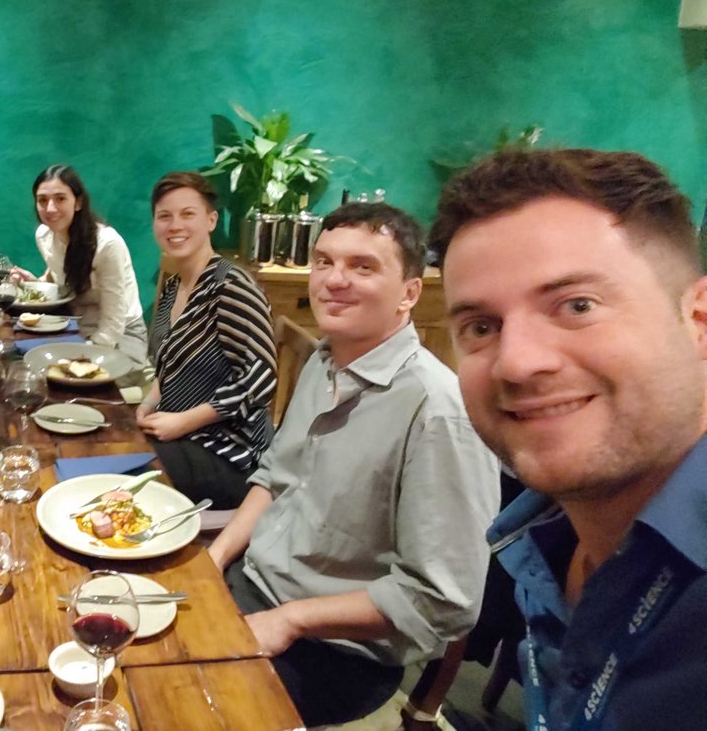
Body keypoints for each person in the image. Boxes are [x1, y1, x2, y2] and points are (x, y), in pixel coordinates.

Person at [430, 148, 707, 731]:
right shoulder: (544, 539)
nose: (517, 363)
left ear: (699, 321)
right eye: (481, 327)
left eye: (577, 306)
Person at [208, 201, 499, 727]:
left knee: (175, 702)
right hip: (250, 585)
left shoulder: (438, 412)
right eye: (324, 262)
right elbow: (276, 475)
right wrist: (216, 556)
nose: (333, 280)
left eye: (362, 267)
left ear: (410, 293)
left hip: (334, 653)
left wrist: (291, 620)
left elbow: (444, 600)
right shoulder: (325, 360)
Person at [139, 171, 277, 508]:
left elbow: (262, 379)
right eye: (164, 216)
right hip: (181, 435)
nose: (175, 225)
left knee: (126, 477)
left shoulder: (230, 287)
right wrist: (147, 403)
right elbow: (169, 364)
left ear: (211, 220)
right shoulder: (174, 287)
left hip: (231, 455)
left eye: (188, 214)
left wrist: (184, 421)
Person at [15, 165, 148, 362]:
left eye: (60, 199)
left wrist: (82, 357)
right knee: (19, 358)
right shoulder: (44, 235)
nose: (50, 208)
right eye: (42, 200)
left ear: (78, 202)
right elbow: (62, 277)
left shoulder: (107, 244)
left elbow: (113, 324)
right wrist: (35, 284)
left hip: (122, 334)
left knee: (59, 374)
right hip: (76, 323)